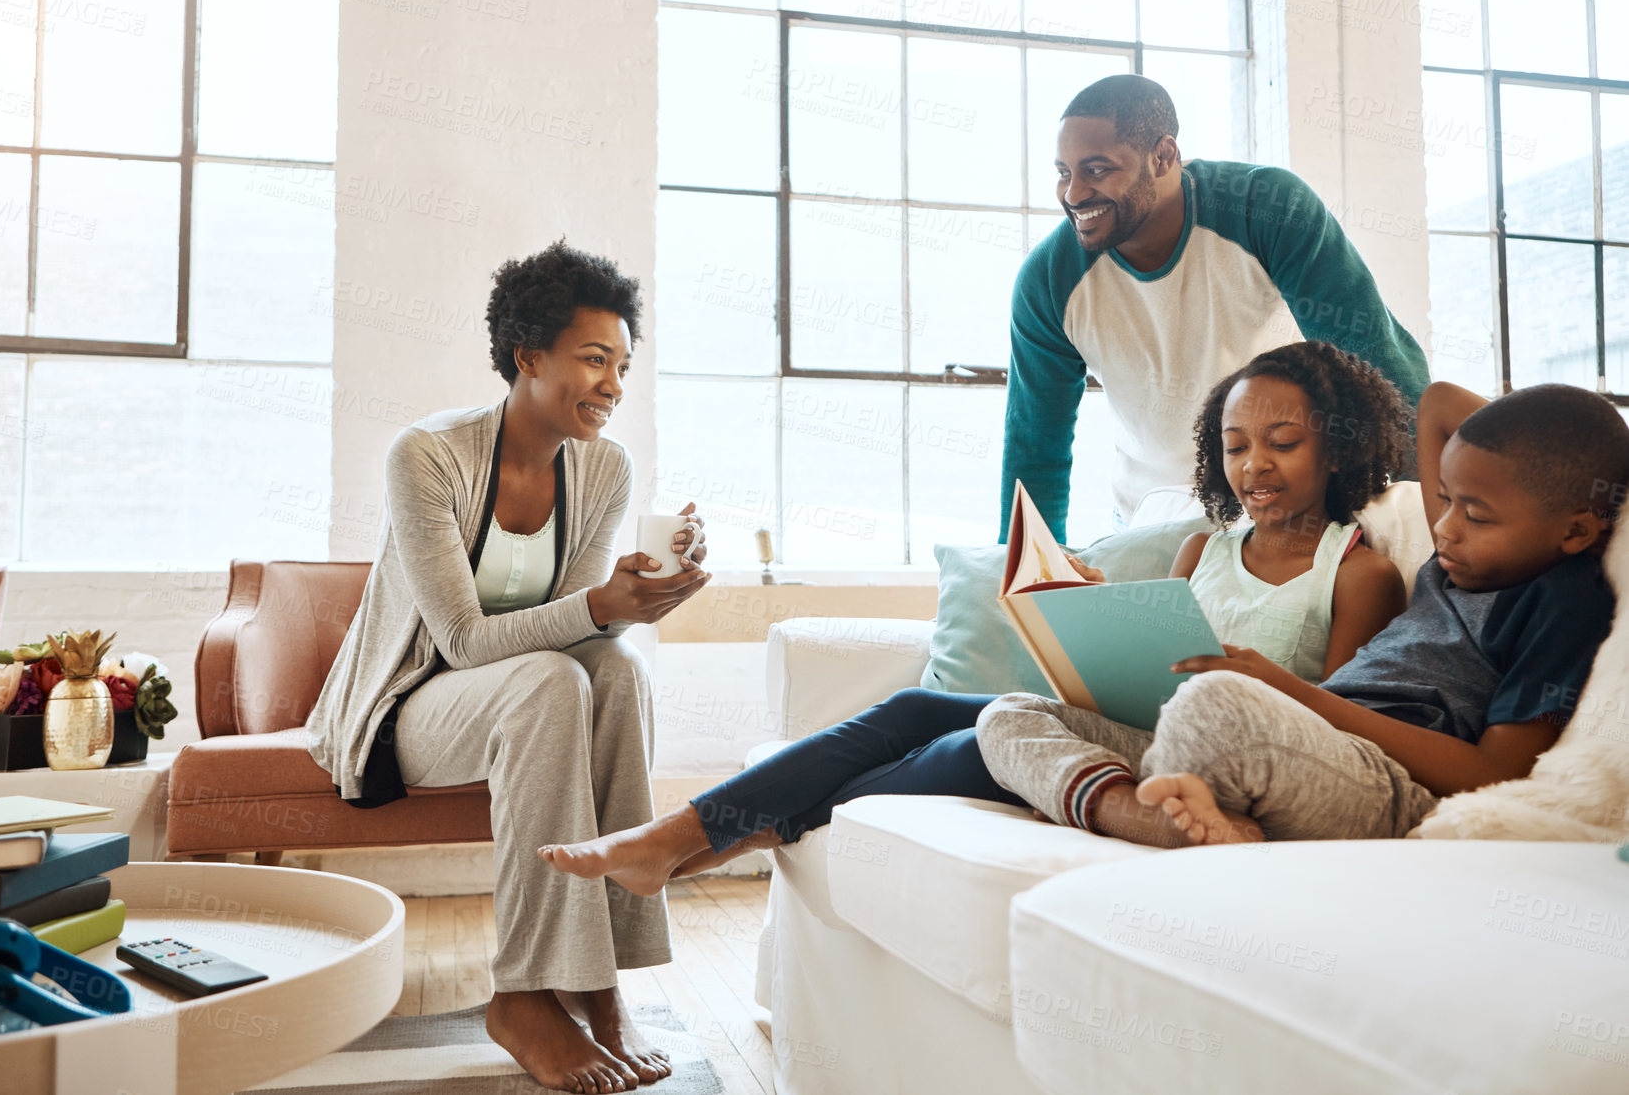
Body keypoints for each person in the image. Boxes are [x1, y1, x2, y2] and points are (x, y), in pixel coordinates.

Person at [534, 341, 1411, 894]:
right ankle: (687, 835)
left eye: (1282, 444)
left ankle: (707, 841)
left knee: (973, 737)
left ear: (1338, 442)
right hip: (1131, 725)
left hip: (1214, 756)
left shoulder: (1358, 573)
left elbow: (1329, 734)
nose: (1255, 466)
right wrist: (1094, 617)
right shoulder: (1203, 551)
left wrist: (1243, 673)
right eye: (1235, 446)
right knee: (915, 712)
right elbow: (1147, 660)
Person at [304, 241, 710, 1094]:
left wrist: (644, 591)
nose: (613, 384)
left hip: (520, 694)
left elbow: (579, 633)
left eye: (624, 365)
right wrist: (601, 606)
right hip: (407, 707)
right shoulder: (428, 456)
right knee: (552, 678)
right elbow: (460, 640)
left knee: (619, 670)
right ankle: (524, 993)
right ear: (528, 356)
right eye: (593, 359)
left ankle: (599, 985)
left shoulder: (604, 466)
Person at [979, 381, 1629, 848]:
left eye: (1474, 513)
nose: (1447, 528)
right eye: (1447, 501)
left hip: (1384, 781)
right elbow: (1438, 402)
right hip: (1303, 739)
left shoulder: (1564, 599)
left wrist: (1295, 694)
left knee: (1214, 703)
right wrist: (1548, 461)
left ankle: (1117, 801)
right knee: (1010, 714)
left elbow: (1497, 774)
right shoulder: (1466, 554)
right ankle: (1137, 812)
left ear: (1576, 531)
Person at [1002, 73, 1430, 546]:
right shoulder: (1048, 280)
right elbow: (1035, 449)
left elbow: (1376, 364)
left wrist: (1429, 515)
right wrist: (1024, 576)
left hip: (1290, 516)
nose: (1073, 194)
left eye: (1097, 170)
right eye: (1064, 172)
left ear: (1163, 156)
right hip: (1153, 523)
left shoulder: (1265, 208)